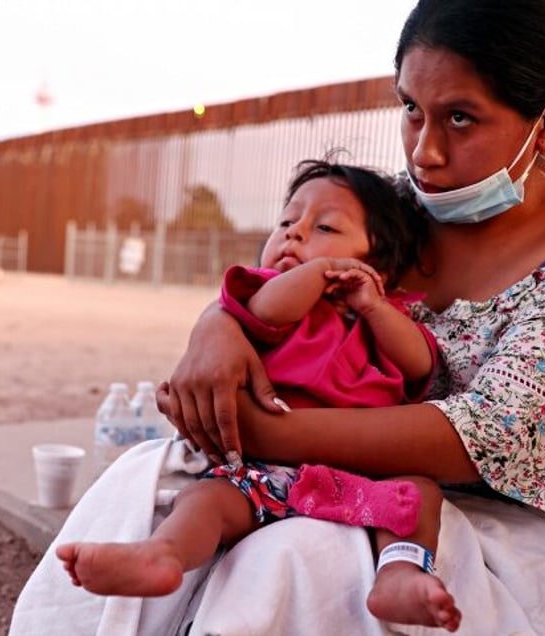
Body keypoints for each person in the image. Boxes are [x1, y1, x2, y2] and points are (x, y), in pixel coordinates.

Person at [10, 1, 545, 634]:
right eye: (411, 109)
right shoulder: (396, 213)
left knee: (284, 562)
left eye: (460, 118)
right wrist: (217, 330)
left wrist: (260, 433)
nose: (424, 152)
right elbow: (282, 274)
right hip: (303, 468)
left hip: (452, 514)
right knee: (143, 487)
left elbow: (487, 437)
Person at [55, 158, 461, 631]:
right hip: (262, 475)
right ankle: (162, 554)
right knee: (206, 502)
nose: (294, 234)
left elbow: (419, 365)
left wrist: (372, 304)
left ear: (380, 263)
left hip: (360, 478)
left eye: (325, 226)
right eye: (286, 222)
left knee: (418, 494)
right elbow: (268, 310)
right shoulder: (273, 294)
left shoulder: (387, 315)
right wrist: (319, 271)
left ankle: (399, 573)